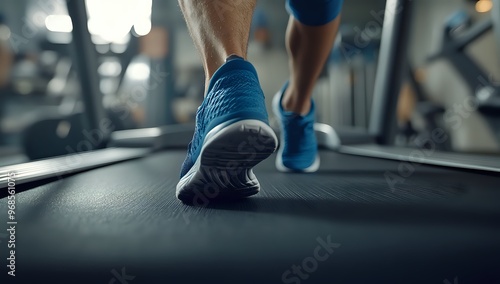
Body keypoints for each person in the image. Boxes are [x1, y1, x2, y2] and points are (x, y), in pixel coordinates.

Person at [176, 0, 344, 204]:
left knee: (319, 6)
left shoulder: (273, 55)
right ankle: (228, 86)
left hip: (253, 97)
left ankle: (290, 105)